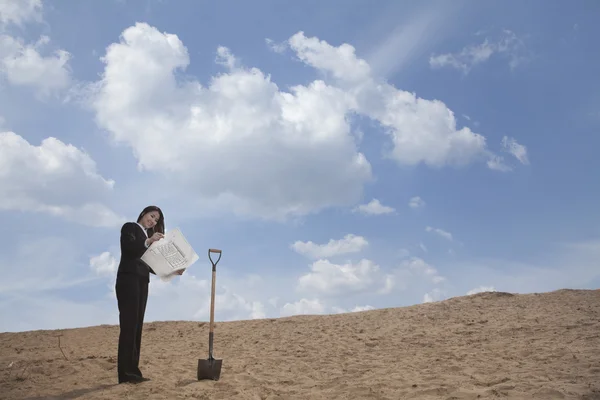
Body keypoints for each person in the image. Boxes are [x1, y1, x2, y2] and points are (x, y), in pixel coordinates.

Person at [115, 205, 182, 384]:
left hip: (142, 282)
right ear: (143, 213)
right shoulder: (130, 228)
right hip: (128, 280)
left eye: (156, 220)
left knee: (137, 327)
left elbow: (151, 266)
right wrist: (149, 241)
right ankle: (125, 374)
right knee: (129, 326)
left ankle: (133, 373)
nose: (152, 221)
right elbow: (130, 248)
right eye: (151, 216)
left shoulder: (148, 239)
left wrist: (173, 271)